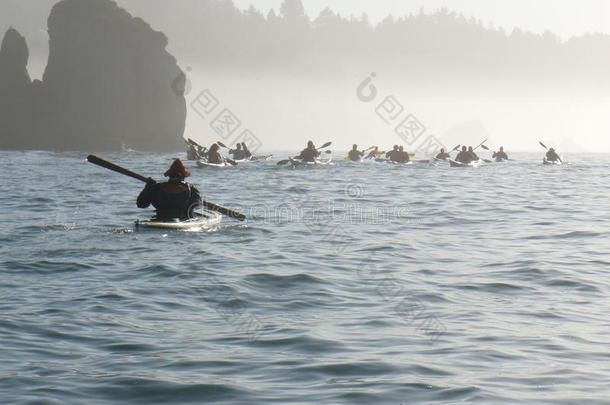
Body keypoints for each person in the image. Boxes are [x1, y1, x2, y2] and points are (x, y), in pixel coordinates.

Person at [137, 159, 201, 221]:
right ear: (183, 177)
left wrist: (148, 187)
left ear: (169, 175)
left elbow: (141, 204)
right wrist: (148, 187)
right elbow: (196, 205)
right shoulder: (191, 189)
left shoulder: (156, 188)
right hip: (182, 220)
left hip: (160, 219)